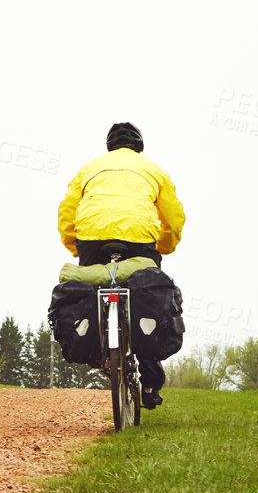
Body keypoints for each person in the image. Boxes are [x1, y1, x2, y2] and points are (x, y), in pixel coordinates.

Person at [56, 122, 185, 407]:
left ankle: (100, 351)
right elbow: (174, 218)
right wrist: (163, 246)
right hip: (140, 240)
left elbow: (67, 212)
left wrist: (74, 245)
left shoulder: (89, 169)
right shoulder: (154, 169)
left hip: (91, 238)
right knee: (147, 296)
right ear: (139, 146)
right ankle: (150, 384)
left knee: (91, 289)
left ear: (109, 146)